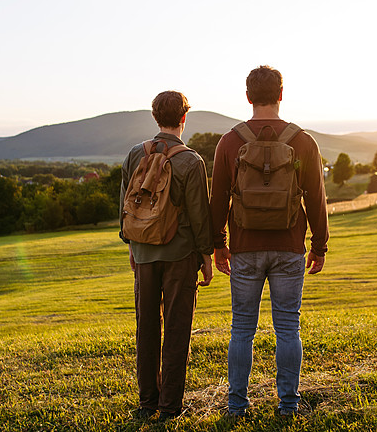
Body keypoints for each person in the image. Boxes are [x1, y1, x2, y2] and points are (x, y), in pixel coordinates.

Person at [210, 66, 329, 417]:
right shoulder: (302, 141)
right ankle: (288, 404)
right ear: (281, 95)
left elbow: (218, 199)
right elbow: (317, 200)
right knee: (288, 327)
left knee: (242, 327)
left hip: (244, 247)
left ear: (248, 97)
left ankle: (236, 405)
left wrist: (219, 243)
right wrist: (319, 246)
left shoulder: (230, 141)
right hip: (290, 245)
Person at [119, 91, 214, 421]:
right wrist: (206, 255)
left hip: (143, 252)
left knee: (146, 327)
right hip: (181, 254)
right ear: (184, 118)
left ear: (155, 117)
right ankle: (170, 406)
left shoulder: (135, 154)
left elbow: (125, 206)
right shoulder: (191, 161)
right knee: (176, 329)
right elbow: (200, 214)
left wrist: (132, 246)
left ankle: (147, 404)